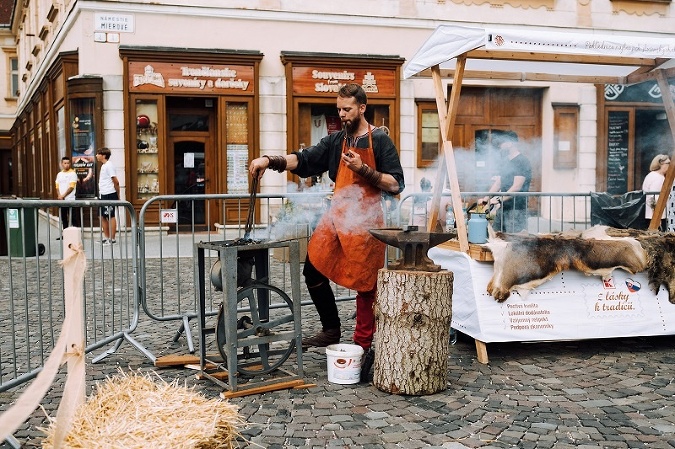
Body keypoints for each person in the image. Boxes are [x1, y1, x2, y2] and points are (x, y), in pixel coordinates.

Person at [249, 83, 404, 380]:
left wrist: (364, 170)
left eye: (347, 109)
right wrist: (269, 161)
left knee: (364, 286)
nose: (342, 115)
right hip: (337, 218)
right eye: (339, 110)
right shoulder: (335, 141)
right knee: (313, 269)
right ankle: (331, 329)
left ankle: (362, 345)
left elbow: (396, 184)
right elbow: (304, 159)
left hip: (367, 222)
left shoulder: (381, 140)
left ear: (362, 107)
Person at [481, 131, 532, 233]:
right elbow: (498, 183)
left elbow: (517, 187)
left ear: (510, 143)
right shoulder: (506, 161)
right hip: (503, 208)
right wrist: (485, 199)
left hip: (516, 210)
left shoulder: (522, 161)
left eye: (502, 142)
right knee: (497, 237)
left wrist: (498, 199)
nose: (500, 145)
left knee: (515, 241)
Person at [96, 147, 120, 245]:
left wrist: (117, 194)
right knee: (101, 216)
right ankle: (106, 237)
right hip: (103, 193)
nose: (96, 155)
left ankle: (112, 238)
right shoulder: (104, 166)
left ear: (104, 155)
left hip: (109, 193)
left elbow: (116, 181)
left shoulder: (109, 165)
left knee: (110, 215)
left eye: (98, 154)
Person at [642, 154, 670, 231]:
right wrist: (657, 217)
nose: (670, 166)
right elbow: (655, 198)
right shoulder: (658, 178)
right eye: (668, 163)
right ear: (660, 164)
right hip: (657, 215)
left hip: (652, 213)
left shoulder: (652, 175)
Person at [54, 156, 80, 235]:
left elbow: (71, 187)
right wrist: (59, 195)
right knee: (63, 218)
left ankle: (75, 235)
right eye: (65, 163)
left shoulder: (72, 173)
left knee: (73, 217)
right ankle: (65, 234)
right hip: (62, 200)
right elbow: (57, 186)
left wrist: (63, 195)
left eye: (68, 163)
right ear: (62, 164)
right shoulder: (59, 174)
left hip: (70, 199)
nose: (66, 165)